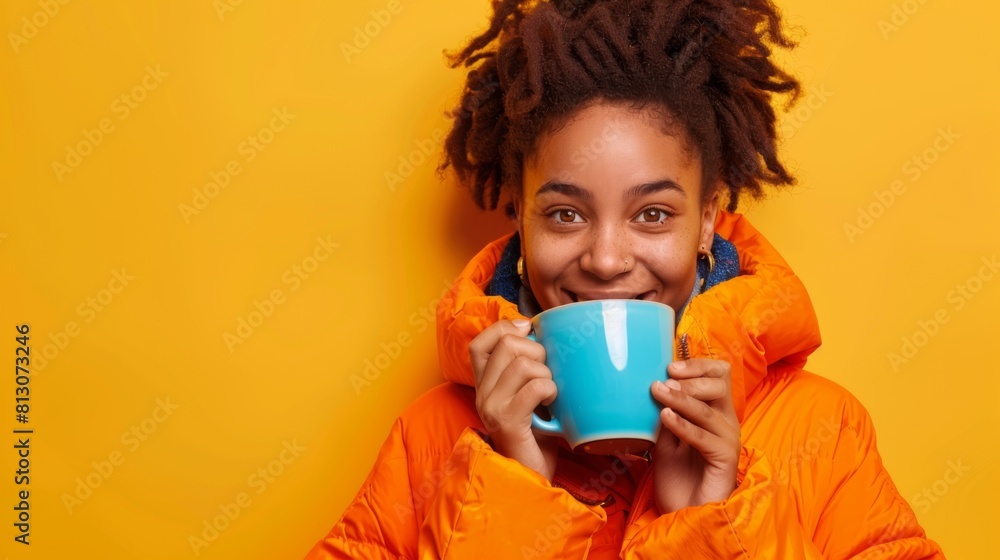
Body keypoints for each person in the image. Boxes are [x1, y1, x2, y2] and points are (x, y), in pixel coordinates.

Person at [306, 0, 946, 557]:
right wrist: (509, 490)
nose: (607, 259)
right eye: (564, 214)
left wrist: (710, 524)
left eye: (653, 214)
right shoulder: (432, 435)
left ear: (706, 222)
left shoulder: (824, 431)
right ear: (521, 224)